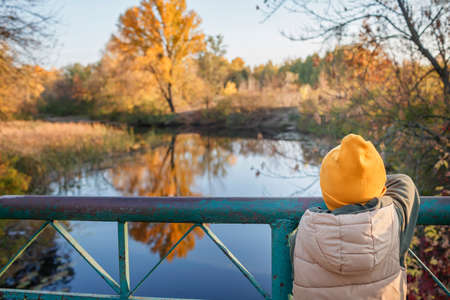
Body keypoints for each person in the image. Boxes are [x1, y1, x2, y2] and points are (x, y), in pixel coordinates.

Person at [291, 134, 420, 300]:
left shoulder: (302, 234)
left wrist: (345, 183)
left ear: (326, 193)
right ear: (381, 189)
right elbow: (404, 182)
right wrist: (369, 181)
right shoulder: (394, 221)